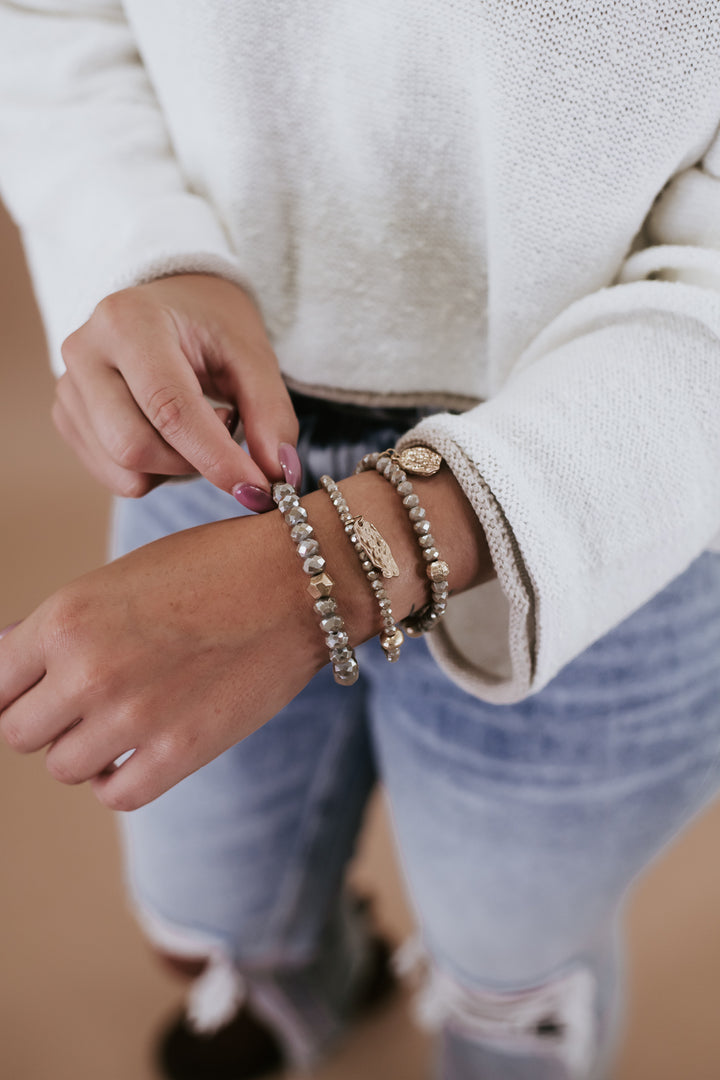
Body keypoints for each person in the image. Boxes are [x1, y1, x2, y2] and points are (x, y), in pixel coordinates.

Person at [1, 3, 720, 1078]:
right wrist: (145, 252)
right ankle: (302, 976)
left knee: (510, 962)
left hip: (602, 491)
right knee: (203, 899)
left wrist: (327, 570)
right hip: (218, 429)